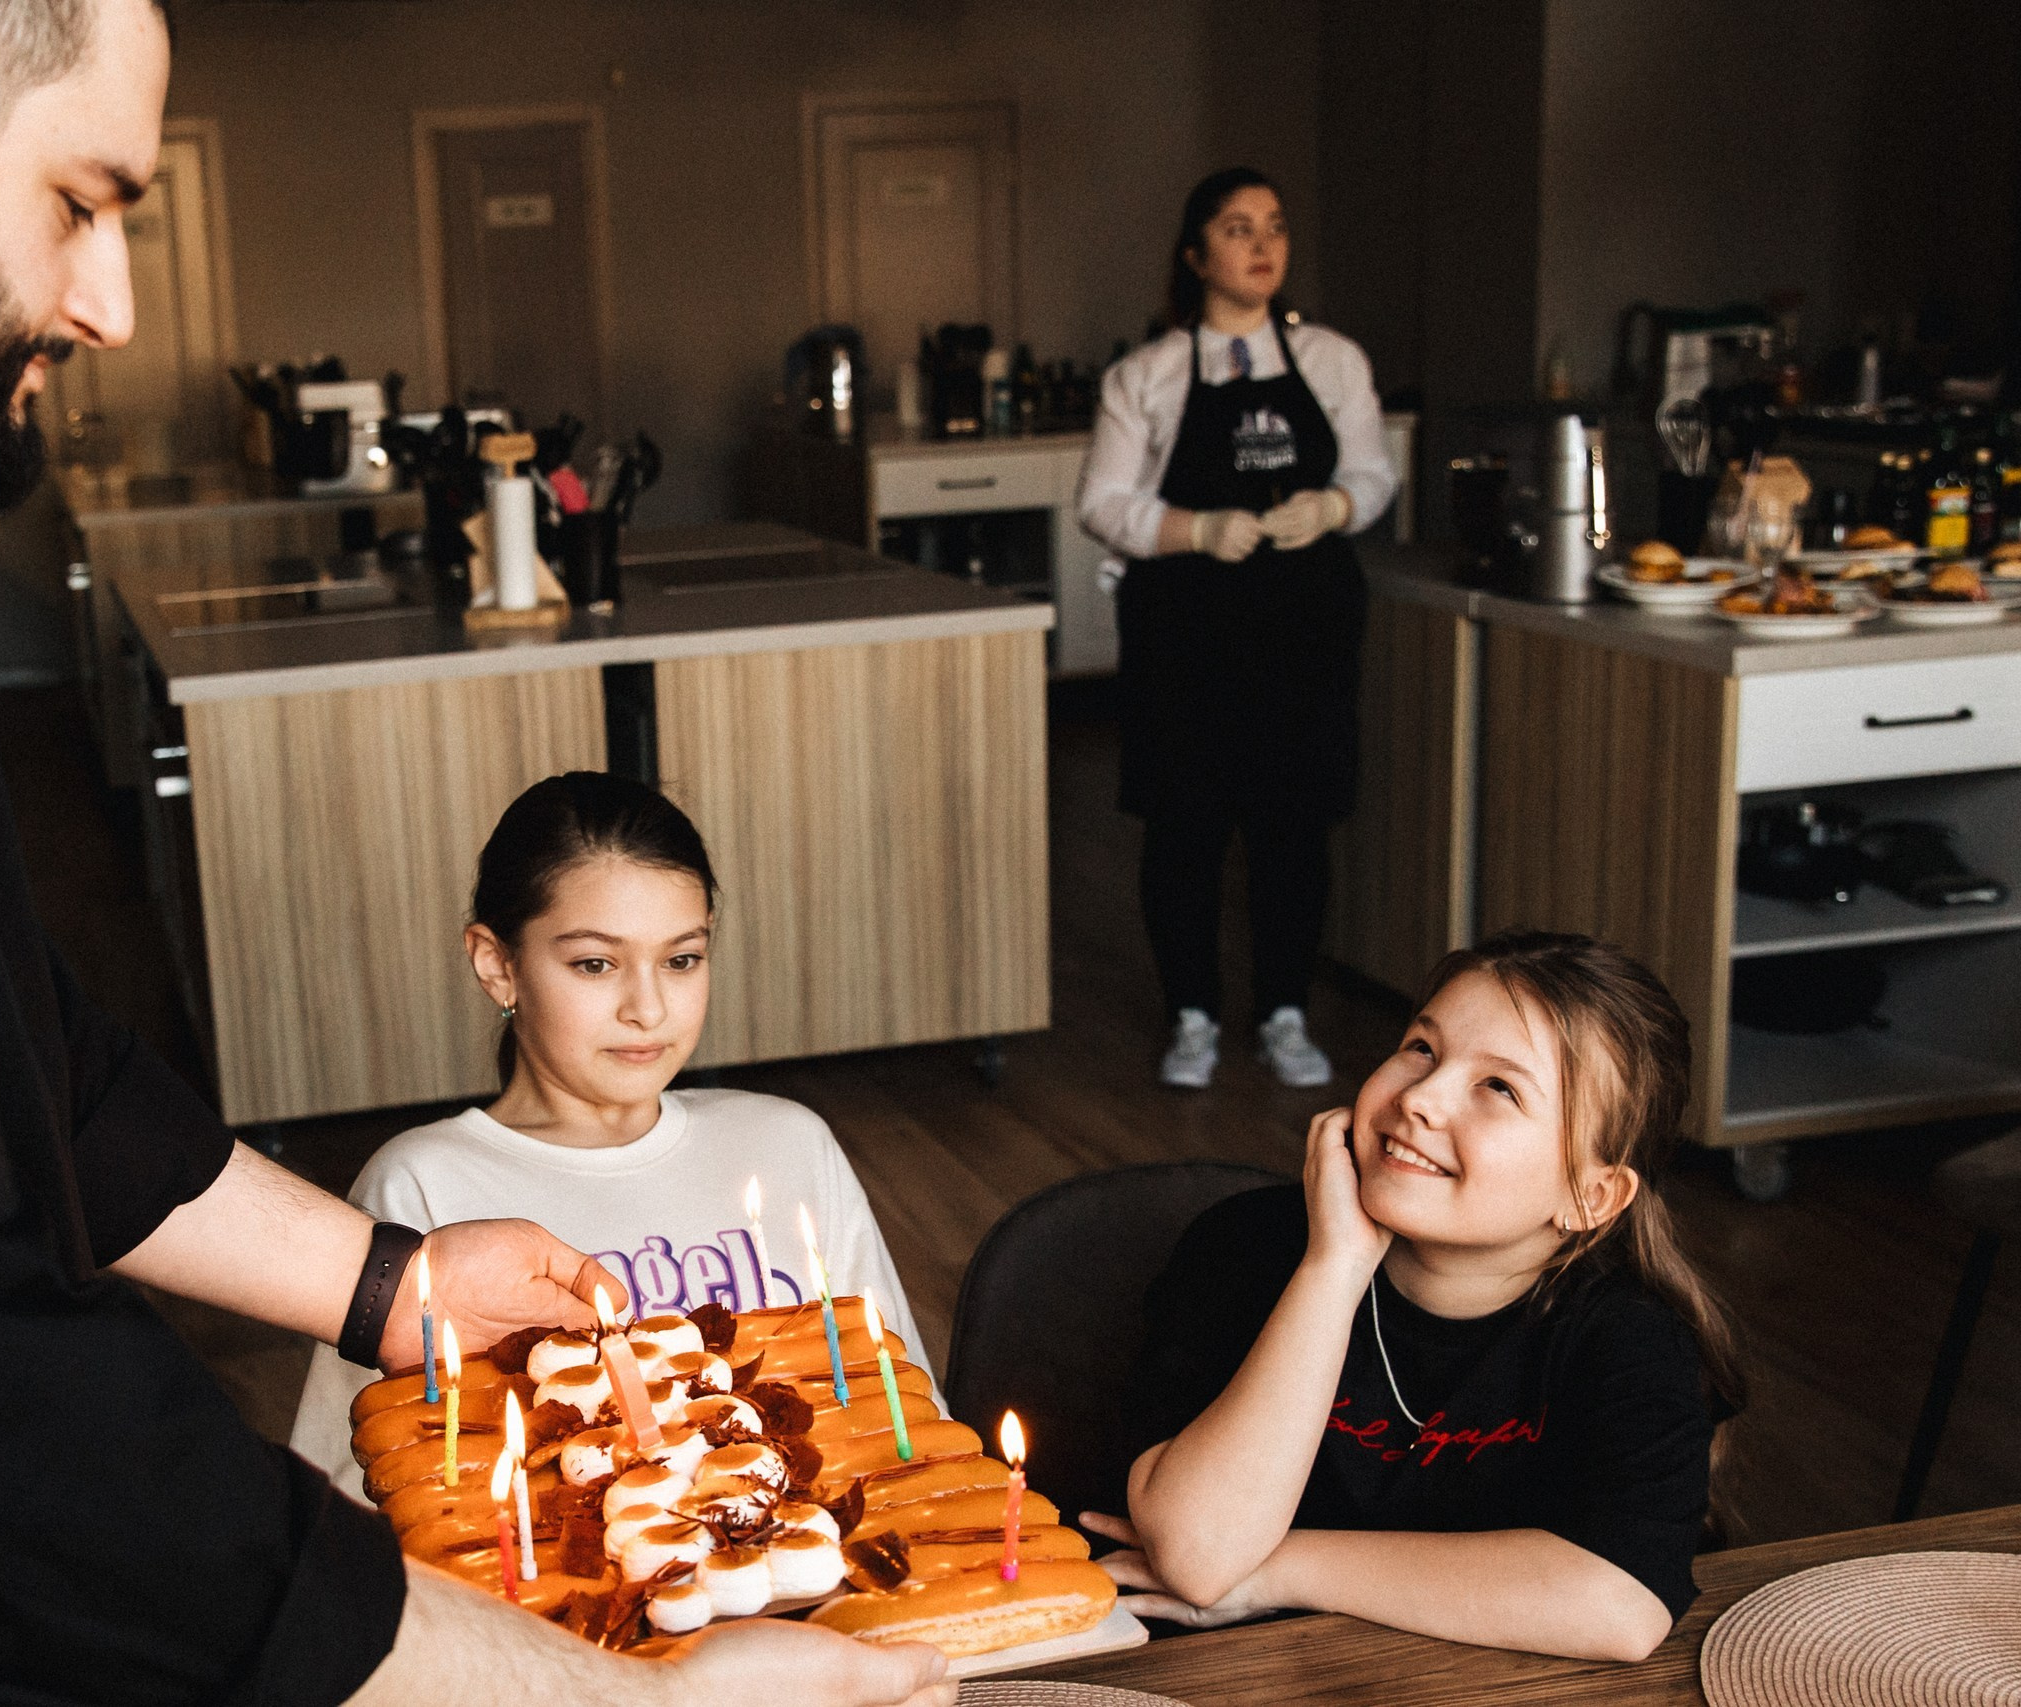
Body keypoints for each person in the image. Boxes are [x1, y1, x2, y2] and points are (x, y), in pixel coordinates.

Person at [0, 6, 948, 1705]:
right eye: (81, 202)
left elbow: (9, 1037)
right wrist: (634, 1703)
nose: (113, 305)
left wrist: (394, 1288)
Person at [1092, 932, 1746, 1662]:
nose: (1420, 1097)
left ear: (1591, 1195)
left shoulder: (1631, 1336)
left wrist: (1280, 1568)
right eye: (1421, 1048)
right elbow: (1200, 1554)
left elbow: (1620, 1603)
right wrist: (1333, 1266)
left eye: (1499, 1087)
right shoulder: (1242, 1248)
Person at [293, 771, 929, 1490]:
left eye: (682, 958)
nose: (649, 1008)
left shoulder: (788, 1144)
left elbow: (903, 1412)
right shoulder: (423, 1184)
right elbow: (353, 1481)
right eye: (596, 963)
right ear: (498, 966)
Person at [1076, 166, 1397, 1092]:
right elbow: (1100, 501)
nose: (1262, 246)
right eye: (1237, 228)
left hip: (1304, 627)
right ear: (1195, 254)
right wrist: (1193, 530)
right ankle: (1192, 1014)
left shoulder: (1332, 361)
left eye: (1275, 228)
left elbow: (1376, 474)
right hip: (1185, 630)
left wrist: (1333, 507)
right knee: (1185, 826)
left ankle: (1284, 1010)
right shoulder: (1149, 376)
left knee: (1293, 826)